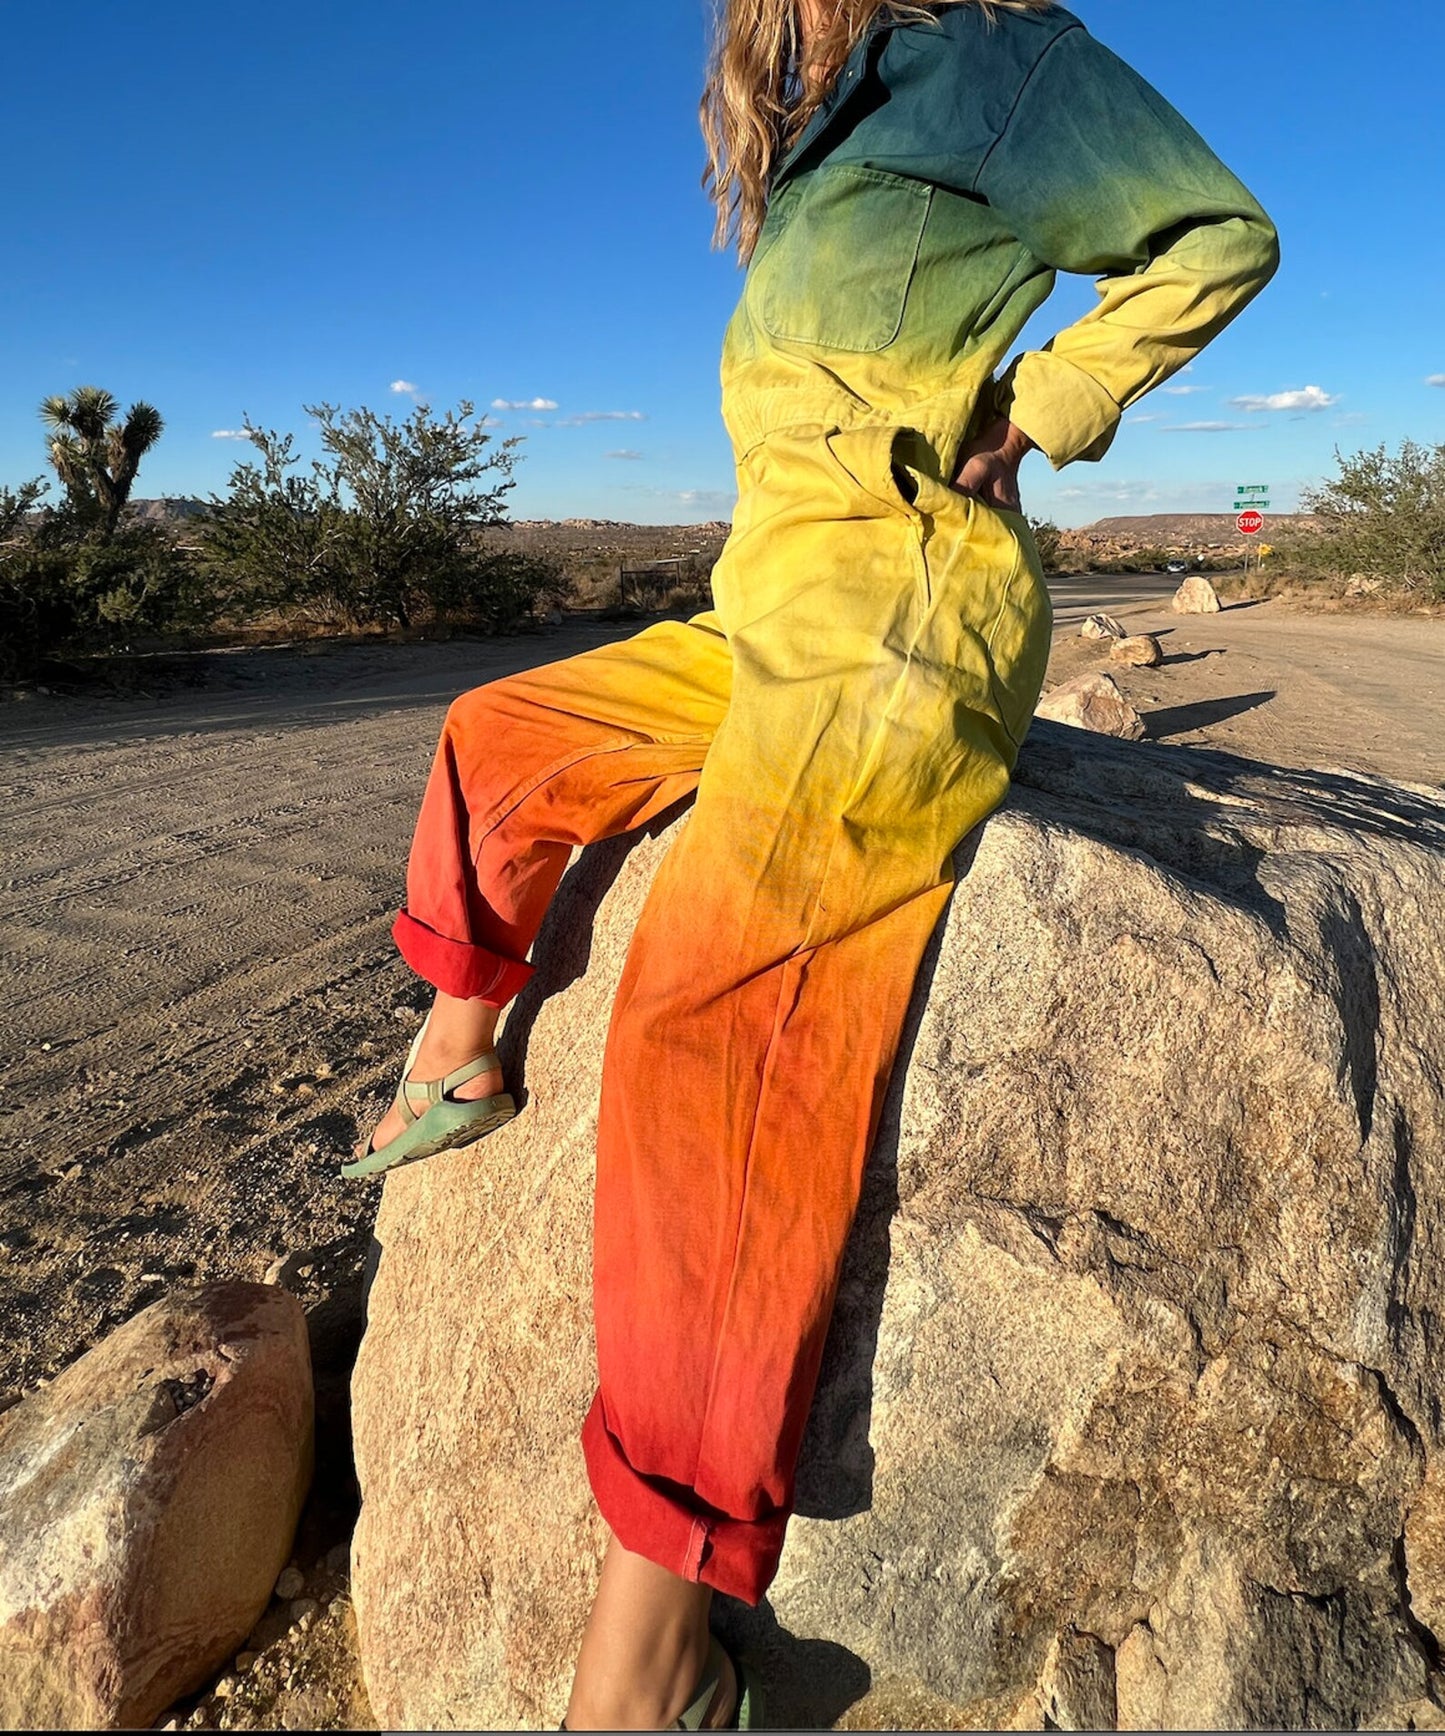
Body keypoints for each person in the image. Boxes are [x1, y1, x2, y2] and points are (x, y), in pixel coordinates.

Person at [345, 0, 1278, 1725]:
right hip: (761, 609)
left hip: (903, 615)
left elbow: (1217, 234)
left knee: (715, 1016)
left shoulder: (996, 52)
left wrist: (1042, 404)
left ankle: (653, 1632)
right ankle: (456, 1047)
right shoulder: (820, 133)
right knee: (498, 737)